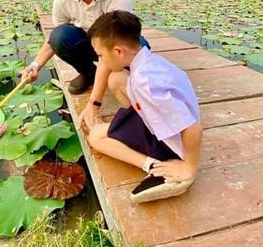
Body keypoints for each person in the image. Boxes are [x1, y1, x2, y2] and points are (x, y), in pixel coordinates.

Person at [21, 0, 135, 128]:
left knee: (133, 58)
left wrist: (94, 104)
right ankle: (89, 73)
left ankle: (106, 78)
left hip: (116, 44)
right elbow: (52, 40)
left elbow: (112, 48)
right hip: (90, 42)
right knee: (60, 37)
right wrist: (35, 65)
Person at [86, 10, 202, 203]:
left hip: (171, 142)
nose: (102, 62)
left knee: (95, 135)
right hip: (162, 116)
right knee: (115, 79)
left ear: (118, 51)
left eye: (101, 56)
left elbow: (192, 128)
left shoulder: (146, 84)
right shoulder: (150, 60)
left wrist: (189, 167)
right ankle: (133, 126)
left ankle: (154, 166)